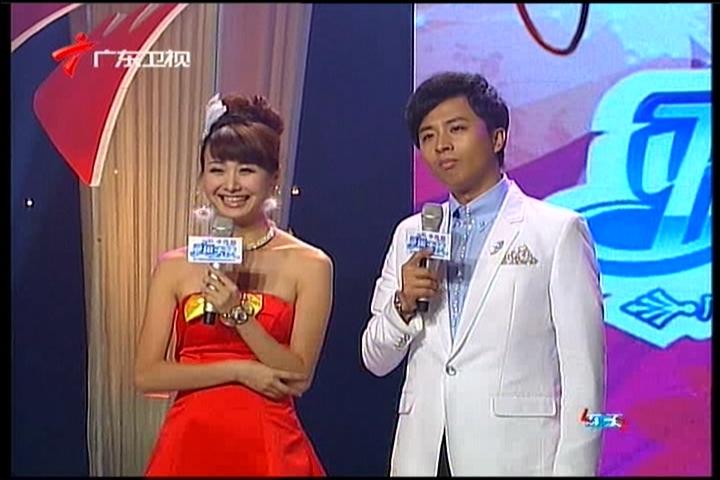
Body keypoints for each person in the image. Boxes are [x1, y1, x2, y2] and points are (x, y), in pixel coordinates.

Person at [361, 72, 605, 476]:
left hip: (515, 460)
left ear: (497, 138)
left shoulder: (556, 231)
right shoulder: (411, 234)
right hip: (423, 457)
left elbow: (586, 378)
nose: (441, 145)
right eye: (427, 136)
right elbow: (375, 358)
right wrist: (403, 305)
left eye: (456, 129)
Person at [135, 93, 333, 476]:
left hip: (268, 443)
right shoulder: (175, 266)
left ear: (273, 178)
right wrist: (239, 371)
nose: (230, 184)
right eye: (217, 169)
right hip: (190, 442)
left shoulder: (310, 265)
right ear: (202, 177)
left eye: (246, 170)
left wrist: (238, 313)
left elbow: (298, 376)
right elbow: (148, 374)